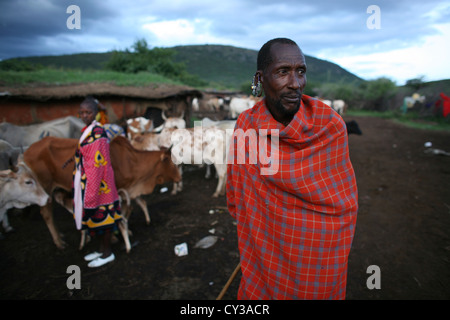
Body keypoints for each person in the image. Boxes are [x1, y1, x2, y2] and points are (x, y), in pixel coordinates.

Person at [226, 38, 358, 299]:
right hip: (264, 252)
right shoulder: (246, 125)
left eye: (301, 71)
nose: (295, 83)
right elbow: (237, 193)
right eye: (283, 72)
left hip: (319, 259)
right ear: (260, 79)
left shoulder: (330, 125)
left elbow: (343, 204)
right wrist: (258, 229)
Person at [74, 96, 122, 268]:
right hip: (93, 183)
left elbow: (95, 166)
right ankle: (101, 250)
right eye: (82, 112)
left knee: (105, 220)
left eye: (88, 112)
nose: (85, 115)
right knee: (97, 220)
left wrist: (91, 195)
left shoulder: (97, 133)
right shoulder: (88, 130)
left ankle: (108, 253)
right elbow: (83, 153)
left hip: (100, 185)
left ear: (96, 114)